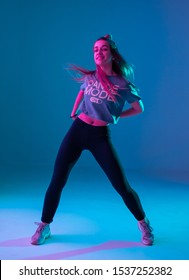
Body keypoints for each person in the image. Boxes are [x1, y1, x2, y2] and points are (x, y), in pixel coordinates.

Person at [31, 34, 154, 246]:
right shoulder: (90, 77)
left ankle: (144, 224)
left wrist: (116, 116)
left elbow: (138, 108)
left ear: (113, 54)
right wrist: (74, 110)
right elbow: (81, 93)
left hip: (99, 137)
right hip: (77, 131)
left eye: (103, 49)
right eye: (95, 49)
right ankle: (44, 225)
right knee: (57, 180)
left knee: (120, 184)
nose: (98, 52)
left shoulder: (122, 83)